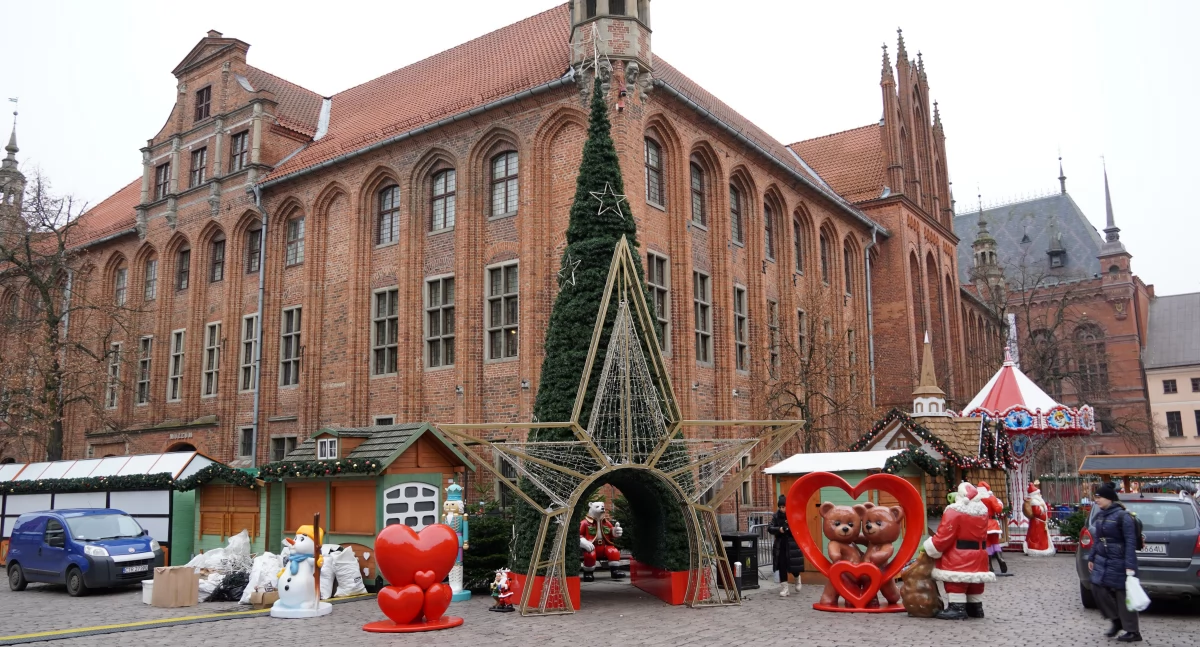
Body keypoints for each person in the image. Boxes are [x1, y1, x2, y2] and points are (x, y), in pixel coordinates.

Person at [924, 481, 995, 619]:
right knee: (975, 581)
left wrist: (930, 546)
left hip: (959, 555)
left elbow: (944, 536)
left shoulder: (954, 512)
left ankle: (957, 608)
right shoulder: (983, 512)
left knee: (956, 581)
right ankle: (975, 608)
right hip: (980, 554)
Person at [1088, 482, 1142, 642]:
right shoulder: (1100, 515)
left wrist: (1130, 565)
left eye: (1099, 497)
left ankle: (1133, 632)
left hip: (1120, 560)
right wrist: (1092, 557)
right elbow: (1097, 539)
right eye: (1096, 497)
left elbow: (1130, 541)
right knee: (1097, 587)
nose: (1096, 500)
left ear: (1110, 499)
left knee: (1123, 594)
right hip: (1103, 559)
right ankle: (1116, 620)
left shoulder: (1123, 516)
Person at [767, 494, 804, 597]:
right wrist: (779, 529)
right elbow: (770, 528)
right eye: (780, 507)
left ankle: (797, 578)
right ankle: (785, 588)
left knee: (793, 566)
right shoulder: (776, 516)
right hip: (780, 544)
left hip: (792, 544)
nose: (782, 509)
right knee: (782, 565)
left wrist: (789, 530)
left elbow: (798, 528)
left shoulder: (793, 515)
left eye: (783, 507)